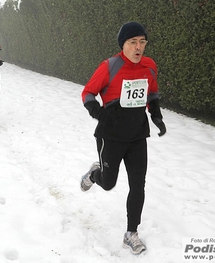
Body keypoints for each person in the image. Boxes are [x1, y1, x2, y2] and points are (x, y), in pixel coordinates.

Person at [80, 22, 166, 255]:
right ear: (123, 45)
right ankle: (94, 174)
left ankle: (131, 233)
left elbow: (152, 92)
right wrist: (98, 113)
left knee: (138, 184)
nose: (139, 48)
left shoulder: (149, 66)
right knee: (108, 183)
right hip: (111, 136)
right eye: (133, 42)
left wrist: (156, 115)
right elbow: (88, 92)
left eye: (142, 42)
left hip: (138, 135)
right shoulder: (111, 66)